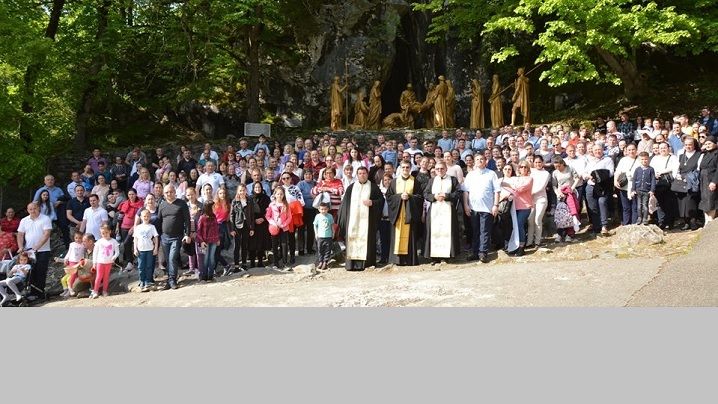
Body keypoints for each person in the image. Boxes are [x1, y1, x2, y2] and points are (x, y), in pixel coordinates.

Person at [337, 167, 384, 270]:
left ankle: (366, 264)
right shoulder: (351, 188)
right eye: (360, 173)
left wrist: (373, 203)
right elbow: (344, 205)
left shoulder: (373, 187)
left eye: (364, 173)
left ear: (367, 174)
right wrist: (344, 221)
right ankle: (352, 264)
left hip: (367, 222)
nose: (362, 175)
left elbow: (381, 201)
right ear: (357, 175)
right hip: (353, 222)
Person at [462, 155, 501, 263]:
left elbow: (497, 191)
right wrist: (466, 205)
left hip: (487, 208)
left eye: (482, 159)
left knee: (484, 231)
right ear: (474, 162)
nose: (480, 161)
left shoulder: (491, 174)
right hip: (473, 208)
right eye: (477, 159)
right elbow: (466, 191)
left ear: (485, 162)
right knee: (475, 231)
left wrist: (496, 205)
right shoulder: (470, 175)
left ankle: (483, 253)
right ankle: (475, 252)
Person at [385, 162, 424, 266]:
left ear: (410, 168)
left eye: (407, 167)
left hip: (409, 214)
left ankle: (410, 259)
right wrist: (399, 197)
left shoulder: (415, 181)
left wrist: (410, 197)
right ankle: (396, 260)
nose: (405, 169)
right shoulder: (394, 182)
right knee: (396, 236)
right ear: (400, 168)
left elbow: (420, 197)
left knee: (410, 236)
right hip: (398, 214)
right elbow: (388, 196)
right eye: (403, 167)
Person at [423, 162, 461, 263]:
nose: (440, 170)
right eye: (437, 169)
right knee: (434, 233)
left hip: (448, 210)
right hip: (435, 210)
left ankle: (446, 256)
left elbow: (458, 193)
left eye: (442, 168)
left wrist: (447, 196)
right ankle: (435, 257)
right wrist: (434, 197)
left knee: (447, 232)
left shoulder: (452, 180)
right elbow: (425, 193)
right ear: (435, 170)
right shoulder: (431, 181)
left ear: (446, 169)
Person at [155, 184, 192, 290]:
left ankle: (172, 280)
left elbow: (187, 220)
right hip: (165, 237)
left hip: (177, 236)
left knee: (172, 258)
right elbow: (159, 221)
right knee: (167, 259)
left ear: (174, 192)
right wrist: (156, 236)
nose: (169, 194)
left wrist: (187, 234)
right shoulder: (162, 205)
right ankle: (169, 280)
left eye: (171, 192)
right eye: (166, 192)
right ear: (164, 193)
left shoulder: (181, 203)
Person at [501, 161, 534, 256]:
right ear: (518, 169)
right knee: (515, 226)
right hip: (515, 206)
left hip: (525, 206)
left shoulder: (530, 179)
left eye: (525, 167)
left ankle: (521, 246)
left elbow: (521, 189)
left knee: (520, 225)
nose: (523, 168)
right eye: (521, 167)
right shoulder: (516, 179)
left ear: (528, 169)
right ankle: (516, 246)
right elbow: (511, 190)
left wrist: (508, 185)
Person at [674, 137, 701, 230]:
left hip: (692, 180)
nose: (688, 146)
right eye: (686, 145)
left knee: (691, 202)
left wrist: (688, 178)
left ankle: (693, 222)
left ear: (694, 145)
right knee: (682, 202)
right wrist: (678, 176)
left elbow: (699, 169)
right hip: (681, 181)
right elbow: (677, 168)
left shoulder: (699, 155)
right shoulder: (681, 155)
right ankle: (686, 222)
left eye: (690, 144)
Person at [88, 225, 119, 299]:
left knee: (106, 277)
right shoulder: (99, 241)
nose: (105, 234)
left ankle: (105, 291)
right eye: (103, 233)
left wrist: (114, 257)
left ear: (110, 232)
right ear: (101, 234)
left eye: (106, 232)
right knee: (99, 276)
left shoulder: (114, 241)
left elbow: (117, 252)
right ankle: (95, 291)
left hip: (108, 262)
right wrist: (94, 263)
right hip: (100, 262)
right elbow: (95, 253)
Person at [132, 208, 159, 292]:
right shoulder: (138, 227)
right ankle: (142, 280)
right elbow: (135, 238)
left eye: (147, 216)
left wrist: (155, 248)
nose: (146, 218)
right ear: (140, 217)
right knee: (141, 266)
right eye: (144, 216)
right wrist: (135, 249)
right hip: (141, 250)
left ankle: (148, 281)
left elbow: (156, 237)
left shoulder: (152, 227)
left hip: (150, 249)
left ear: (150, 217)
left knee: (149, 266)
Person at [266, 187, 293, 270]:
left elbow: (289, 217)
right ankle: (275, 263)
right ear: (275, 194)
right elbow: (268, 216)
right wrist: (273, 223)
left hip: (283, 228)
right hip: (274, 227)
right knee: (274, 245)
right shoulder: (272, 204)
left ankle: (285, 262)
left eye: (281, 194)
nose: (279, 195)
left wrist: (283, 224)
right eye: (278, 194)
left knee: (284, 244)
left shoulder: (286, 205)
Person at [230, 184, 254, 272]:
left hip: (246, 225)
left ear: (246, 191)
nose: (242, 192)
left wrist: (252, 228)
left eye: (244, 190)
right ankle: (236, 265)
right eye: (240, 190)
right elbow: (232, 215)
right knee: (237, 246)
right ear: (238, 191)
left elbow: (251, 215)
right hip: (237, 225)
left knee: (245, 245)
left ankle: (244, 264)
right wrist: (232, 229)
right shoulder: (234, 201)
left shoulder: (249, 200)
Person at [613, 144, 639, 225]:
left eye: (633, 149)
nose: (631, 151)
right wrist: (615, 180)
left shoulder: (639, 160)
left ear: (636, 150)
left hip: (636, 186)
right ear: (626, 151)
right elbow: (618, 171)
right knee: (626, 207)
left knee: (635, 207)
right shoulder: (623, 160)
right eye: (629, 150)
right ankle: (626, 223)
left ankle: (634, 224)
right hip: (624, 186)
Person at [195, 202, 220, 281]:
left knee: (212, 258)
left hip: (213, 240)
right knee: (205, 259)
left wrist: (218, 239)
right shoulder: (202, 217)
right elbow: (198, 231)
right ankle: (204, 275)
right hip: (205, 241)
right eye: (213, 206)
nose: (214, 207)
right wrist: (201, 241)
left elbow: (216, 229)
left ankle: (211, 275)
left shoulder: (214, 216)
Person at [249, 182, 271, 268]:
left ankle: (260, 262)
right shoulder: (250, 198)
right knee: (252, 243)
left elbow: (269, 210)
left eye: (259, 187)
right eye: (256, 187)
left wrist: (263, 218)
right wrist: (254, 220)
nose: (258, 189)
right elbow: (248, 212)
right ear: (253, 188)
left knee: (261, 243)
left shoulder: (266, 198)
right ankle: (252, 262)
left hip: (263, 222)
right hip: (253, 224)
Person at [59, 230, 85, 298]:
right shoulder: (72, 244)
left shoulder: (83, 245)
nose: (78, 239)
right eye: (76, 238)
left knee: (76, 276)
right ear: (74, 238)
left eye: (80, 238)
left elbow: (83, 254)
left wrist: (82, 260)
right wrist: (66, 258)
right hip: (72, 261)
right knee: (72, 275)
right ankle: (69, 288)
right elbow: (69, 252)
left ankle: (73, 288)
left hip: (79, 262)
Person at [632, 152, 656, 225]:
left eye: (645, 159)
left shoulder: (651, 169)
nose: (644, 161)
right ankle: (639, 218)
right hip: (638, 190)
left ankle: (645, 218)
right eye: (642, 159)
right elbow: (634, 180)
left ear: (648, 159)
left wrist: (652, 190)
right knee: (639, 205)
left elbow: (653, 180)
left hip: (646, 191)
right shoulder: (637, 169)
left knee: (645, 205)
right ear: (639, 160)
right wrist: (633, 190)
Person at [698, 136, 718, 223]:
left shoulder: (717, 154)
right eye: (706, 144)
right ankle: (707, 221)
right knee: (705, 200)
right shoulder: (705, 154)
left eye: (709, 143)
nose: (707, 145)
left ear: (715, 144)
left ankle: (710, 221)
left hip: (711, 180)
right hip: (703, 180)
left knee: (711, 201)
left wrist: (714, 182)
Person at [313, 203, 334, 270]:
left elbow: (332, 225)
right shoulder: (317, 216)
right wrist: (316, 234)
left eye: (325, 209)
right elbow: (315, 225)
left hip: (328, 236)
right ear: (319, 209)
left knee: (327, 250)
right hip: (320, 236)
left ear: (327, 209)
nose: (323, 211)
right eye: (322, 209)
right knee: (320, 250)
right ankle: (320, 262)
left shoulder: (330, 216)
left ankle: (325, 262)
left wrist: (333, 233)